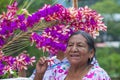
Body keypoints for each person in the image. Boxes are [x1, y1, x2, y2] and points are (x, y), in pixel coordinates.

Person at [34, 30, 111, 80]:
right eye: (70, 45)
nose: (73, 49)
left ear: (91, 53)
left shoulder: (99, 75)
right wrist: (39, 74)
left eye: (80, 45)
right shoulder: (58, 71)